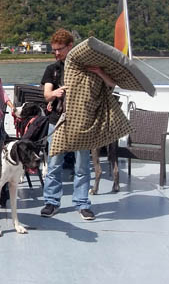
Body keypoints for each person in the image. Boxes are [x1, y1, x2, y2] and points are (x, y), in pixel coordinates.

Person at [40, 29, 115, 221]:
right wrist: (55, 93)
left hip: (82, 122)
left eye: (59, 49)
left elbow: (111, 85)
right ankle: (51, 202)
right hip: (57, 122)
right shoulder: (53, 69)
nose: (56, 53)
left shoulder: (86, 67)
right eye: (53, 50)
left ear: (70, 46)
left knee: (82, 166)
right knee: (54, 164)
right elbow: (47, 94)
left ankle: (82, 204)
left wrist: (99, 71)